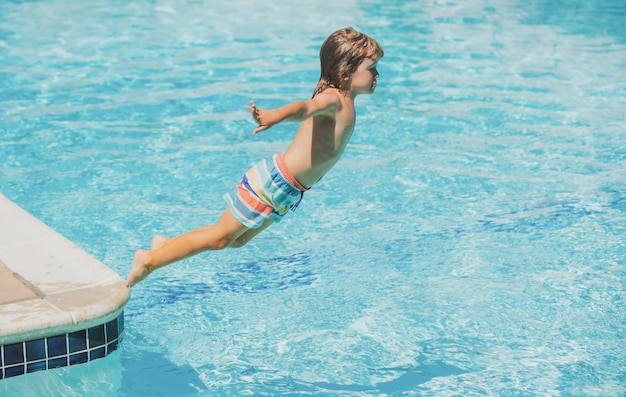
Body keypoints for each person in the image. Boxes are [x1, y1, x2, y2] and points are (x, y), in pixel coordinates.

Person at [127, 27, 384, 287]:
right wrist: (274, 116)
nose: (377, 74)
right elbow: (304, 108)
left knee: (237, 240)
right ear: (345, 71)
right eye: (371, 68)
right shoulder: (333, 99)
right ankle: (148, 261)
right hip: (274, 183)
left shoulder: (346, 100)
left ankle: (166, 245)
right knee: (220, 239)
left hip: (290, 191)